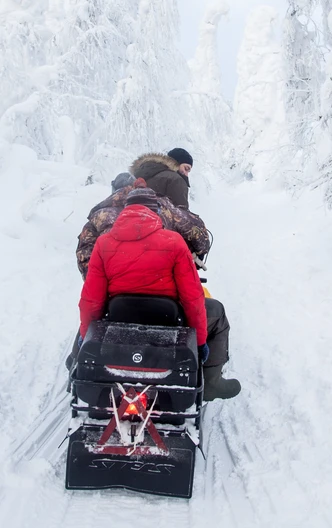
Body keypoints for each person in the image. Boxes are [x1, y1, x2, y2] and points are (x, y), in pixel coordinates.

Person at [78, 189, 240, 401]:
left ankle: (76, 364)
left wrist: (85, 336)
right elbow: (192, 298)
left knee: (88, 321)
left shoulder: (103, 243)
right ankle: (210, 384)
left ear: (124, 211)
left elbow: (91, 299)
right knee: (216, 312)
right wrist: (199, 343)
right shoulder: (174, 241)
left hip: (120, 320)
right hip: (167, 322)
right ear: (155, 211)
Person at [76, 186, 209, 279]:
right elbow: (194, 229)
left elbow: (85, 254)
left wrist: (99, 283)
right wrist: (200, 251)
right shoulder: (170, 228)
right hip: (163, 293)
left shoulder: (99, 217)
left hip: (114, 293)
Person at [130, 148, 194, 209]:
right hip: (155, 219)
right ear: (176, 163)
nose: (186, 174)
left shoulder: (140, 176)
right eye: (186, 168)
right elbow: (182, 214)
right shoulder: (176, 180)